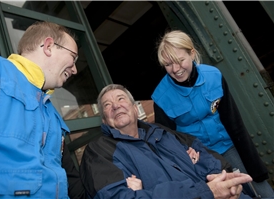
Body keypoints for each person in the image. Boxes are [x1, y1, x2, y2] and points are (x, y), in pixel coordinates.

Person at [151, 30, 274, 198]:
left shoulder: (214, 76)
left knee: (265, 193)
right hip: (201, 159)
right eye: (168, 64)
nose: (176, 69)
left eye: (180, 60)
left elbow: (234, 122)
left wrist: (255, 167)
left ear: (192, 54)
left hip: (228, 147)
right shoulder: (161, 98)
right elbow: (166, 141)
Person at [79, 83, 253, 199]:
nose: (116, 106)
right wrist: (206, 191)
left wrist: (224, 182)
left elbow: (210, 159)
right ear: (103, 119)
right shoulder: (98, 152)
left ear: (134, 108)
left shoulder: (162, 132)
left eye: (120, 99)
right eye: (107, 105)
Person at [0, 21, 85, 199]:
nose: (74, 69)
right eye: (73, 57)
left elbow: (70, 180)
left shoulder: (53, 116)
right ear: (49, 46)